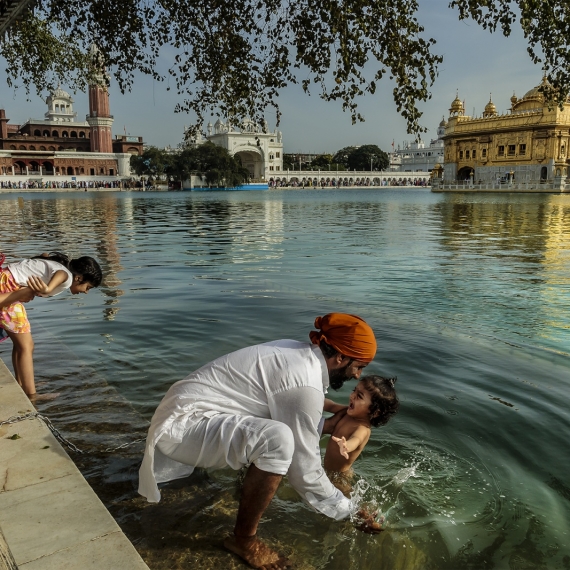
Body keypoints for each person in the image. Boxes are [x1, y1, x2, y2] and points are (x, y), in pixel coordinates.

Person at [139, 312, 382, 570]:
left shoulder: (297, 353)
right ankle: (243, 539)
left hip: (182, 413)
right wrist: (349, 510)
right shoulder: (304, 381)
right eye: (358, 366)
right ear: (340, 357)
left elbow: (283, 405)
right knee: (278, 441)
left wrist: (323, 424)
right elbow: (303, 469)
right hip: (183, 429)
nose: (357, 376)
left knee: (278, 434)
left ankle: (247, 495)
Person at [0, 252, 102, 398]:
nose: (86, 292)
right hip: (7, 287)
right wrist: (47, 289)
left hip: (4, 280)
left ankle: (22, 382)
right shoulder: (66, 276)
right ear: (78, 278)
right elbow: (62, 274)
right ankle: (31, 395)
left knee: (21, 344)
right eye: (88, 287)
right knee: (27, 346)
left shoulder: (56, 265)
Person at [323, 376, 399, 493]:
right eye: (354, 390)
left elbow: (356, 439)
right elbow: (330, 405)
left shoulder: (363, 429)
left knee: (349, 501)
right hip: (330, 471)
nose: (352, 395)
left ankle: (365, 510)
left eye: (359, 396)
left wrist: (346, 445)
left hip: (340, 476)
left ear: (375, 411)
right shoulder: (347, 413)